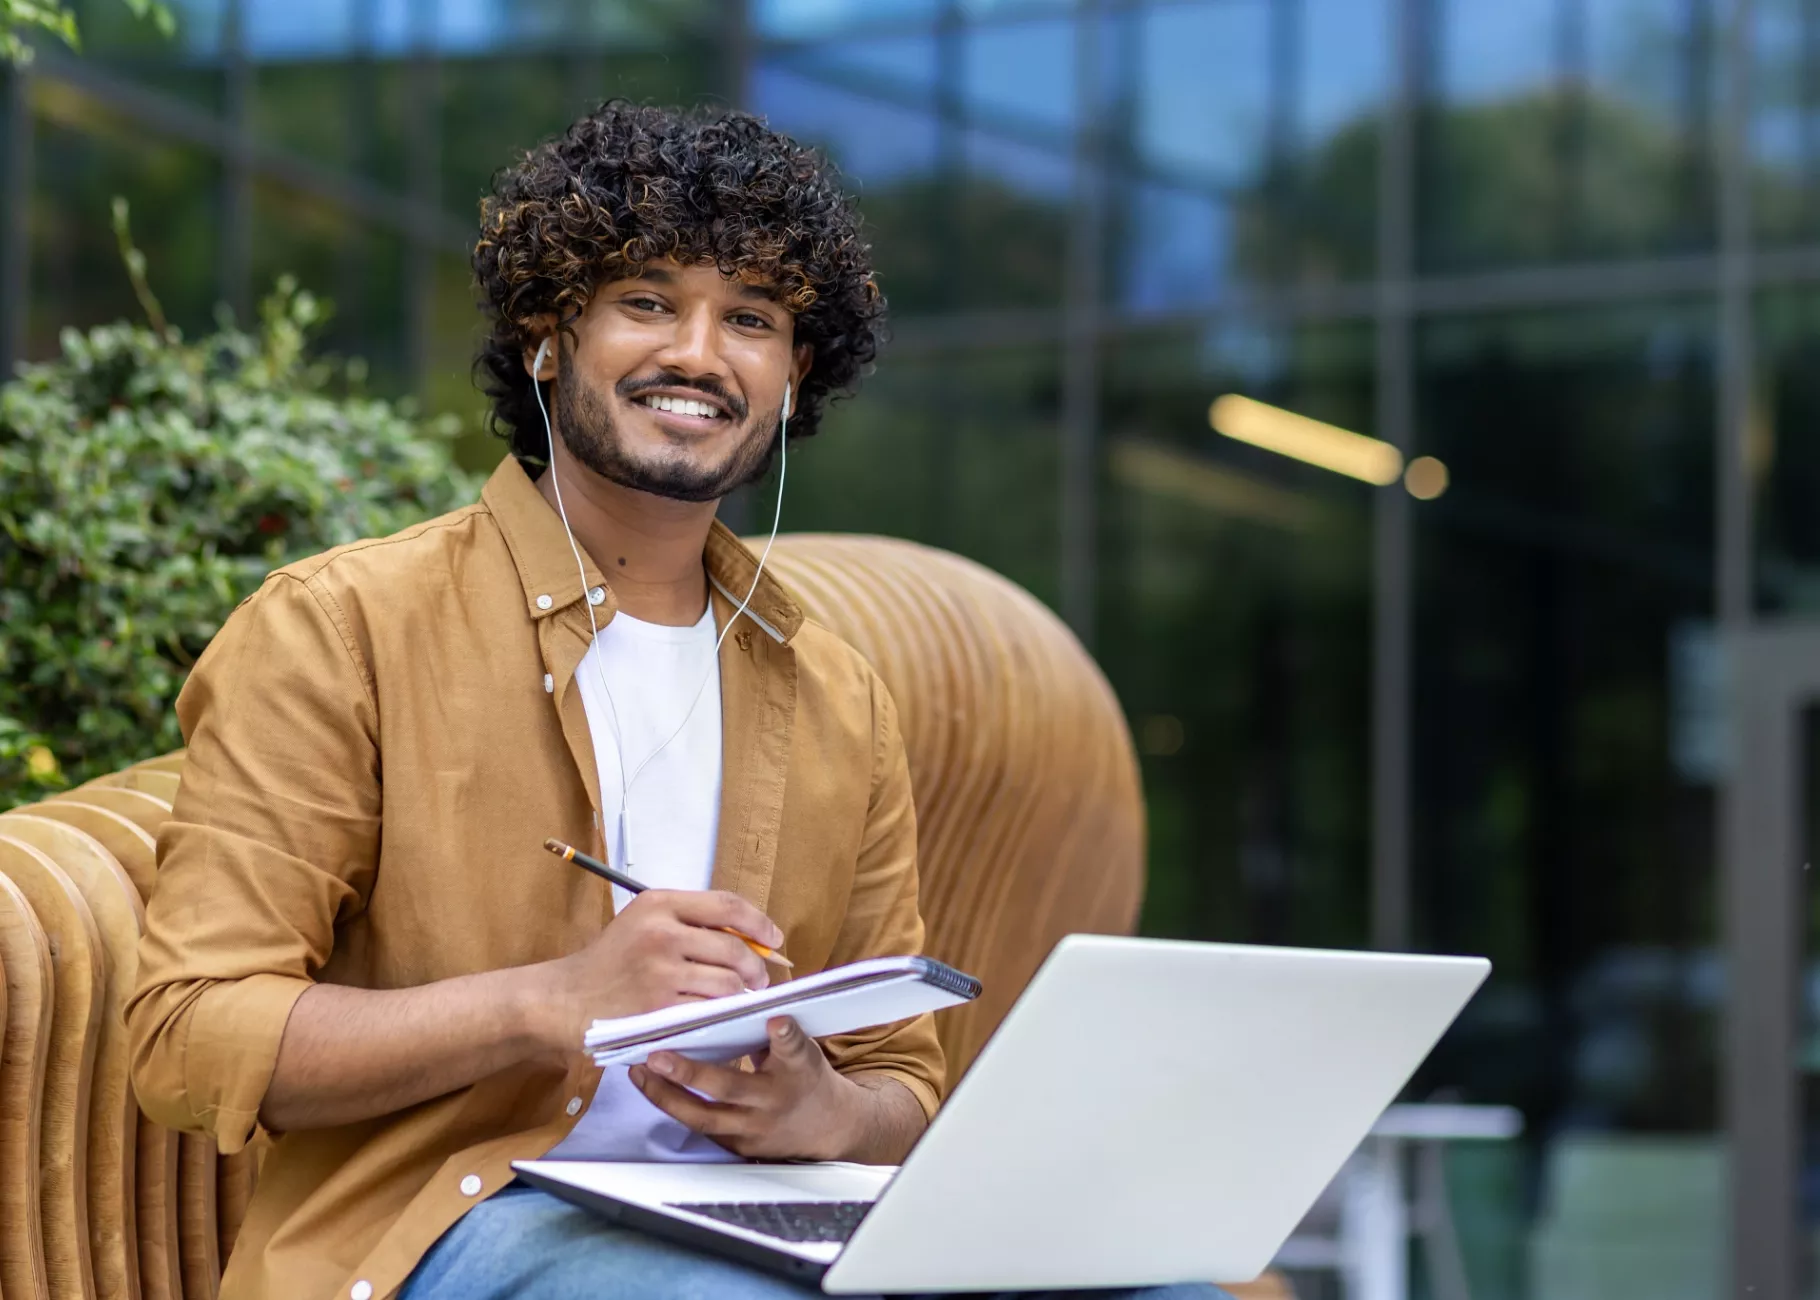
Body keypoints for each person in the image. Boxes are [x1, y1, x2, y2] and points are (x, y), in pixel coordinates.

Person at [126, 102, 1229, 1300]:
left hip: (756, 1217)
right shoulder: (343, 626)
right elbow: (188, 1033)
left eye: (750, 320)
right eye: (647, 302)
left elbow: (900, 1083)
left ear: (794, 373)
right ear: (549, 335)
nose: (699, 354)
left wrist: (818, 1106)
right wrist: (549, 1004)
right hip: (457, 1229)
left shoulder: (833, 691)